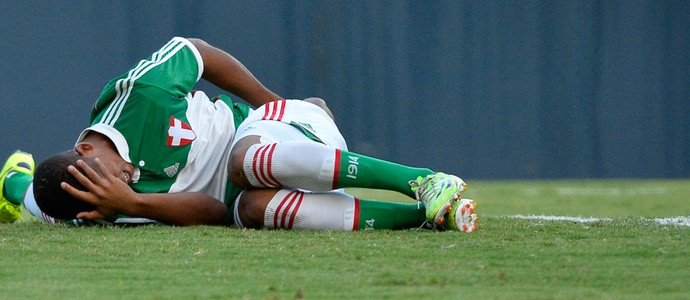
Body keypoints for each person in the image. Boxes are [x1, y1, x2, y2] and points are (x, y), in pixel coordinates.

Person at [0, 37, 477, 232]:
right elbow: (213, 212)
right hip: (284, 189)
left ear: (85, 147)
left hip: (283, 132)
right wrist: (131, 204)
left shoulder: (139, 95)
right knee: (248, 210)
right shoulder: (99, 202)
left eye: (109, 177)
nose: (123, 180)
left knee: (240, 163)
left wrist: (275, 101)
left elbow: (198, 52)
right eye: (115, 191)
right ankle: (425, 217)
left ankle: (423, 180)